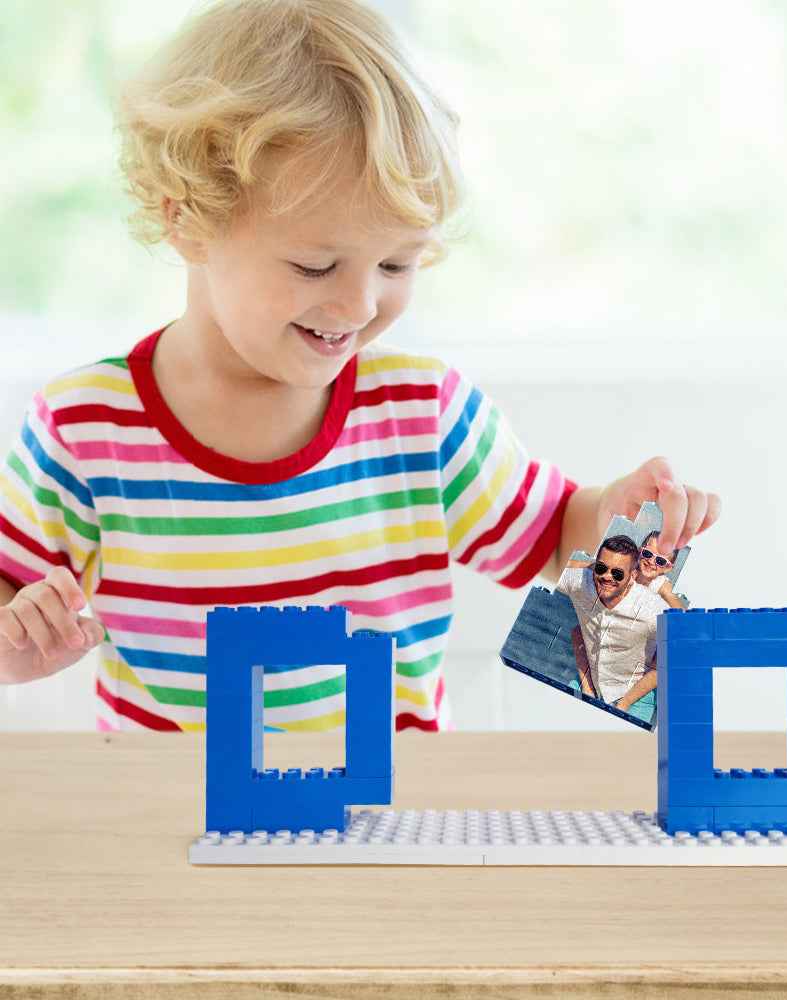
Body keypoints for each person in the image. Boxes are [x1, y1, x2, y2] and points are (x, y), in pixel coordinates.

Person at [0, 0, 720, 734]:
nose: (359, 303)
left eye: (395, 263)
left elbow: (553, 536)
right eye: (315, 266)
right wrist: (16, 640)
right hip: (168, 807)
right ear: (185, 218)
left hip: (391, 805)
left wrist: (618, 517)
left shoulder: (424, 415)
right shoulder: (84, 429)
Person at [556, 535, 668, 718]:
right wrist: (587, 687)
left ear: (632, 576)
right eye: (601, 568)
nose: (607, 577)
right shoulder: (580, 583)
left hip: (635, 697)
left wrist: (625, 703)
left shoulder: (651, 609)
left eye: (617, 573)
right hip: (589, 681)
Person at [635, 531, 687, 609]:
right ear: (640, 551)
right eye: (647, 553)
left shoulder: (661, 585)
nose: (651, 561)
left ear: (667, 568)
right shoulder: (627, 566)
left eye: (660, 561)